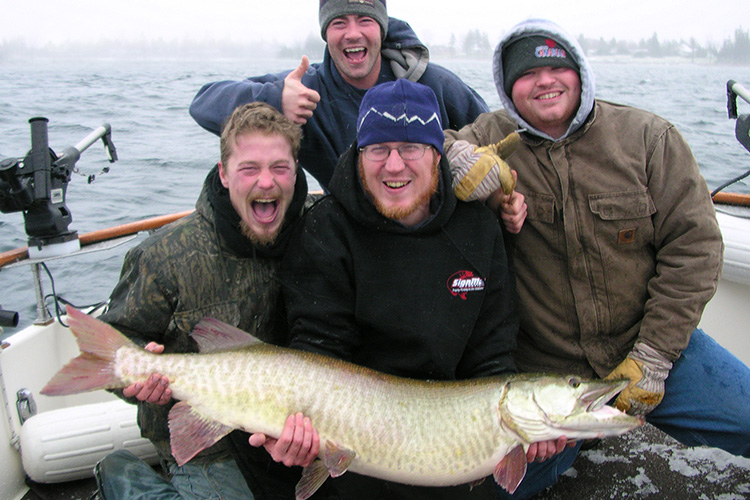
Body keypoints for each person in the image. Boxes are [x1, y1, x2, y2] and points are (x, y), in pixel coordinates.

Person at [445, 18, 750, 498]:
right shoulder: (494, 135)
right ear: (507, 89)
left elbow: (695, 248)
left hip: (654, 348)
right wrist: (457, 161)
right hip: (546, 376)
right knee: (489, 492)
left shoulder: (649, 139)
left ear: (580, 72)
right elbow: (430, 148)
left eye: (557, 68)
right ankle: (572, 444)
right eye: (526, 74)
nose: (544, 81)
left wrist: (653, 358)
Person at [233, 78, 568, 500]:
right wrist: (302, 434)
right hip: (354, 461)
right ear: (359, 156)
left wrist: (523, 432)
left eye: (410, 148)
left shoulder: (479, 229)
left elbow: (492, 356)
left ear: (436, 155)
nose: (394, 165)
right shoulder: (325, 230)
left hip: (454, 452)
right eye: (378, 150)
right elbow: (319, 352)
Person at [93, 102, 312, 500]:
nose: (267, 182)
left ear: (296, 172)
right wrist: (139, 372)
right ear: (224, 174)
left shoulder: (321, 234)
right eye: (249, 168)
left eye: (280, 167)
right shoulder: (164, 256)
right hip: (214, 447)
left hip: (299, 433)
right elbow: (114, 340)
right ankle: (124, 478)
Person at [189, 0, 489, 191]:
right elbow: (203, 103)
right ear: (326, 33)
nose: (353, 33)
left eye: (365, 19)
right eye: (339, 22)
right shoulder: (306, 91)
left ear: (381, 29)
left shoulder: (431, 84)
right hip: (351, 238)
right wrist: (275, 101)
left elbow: (491, 133)